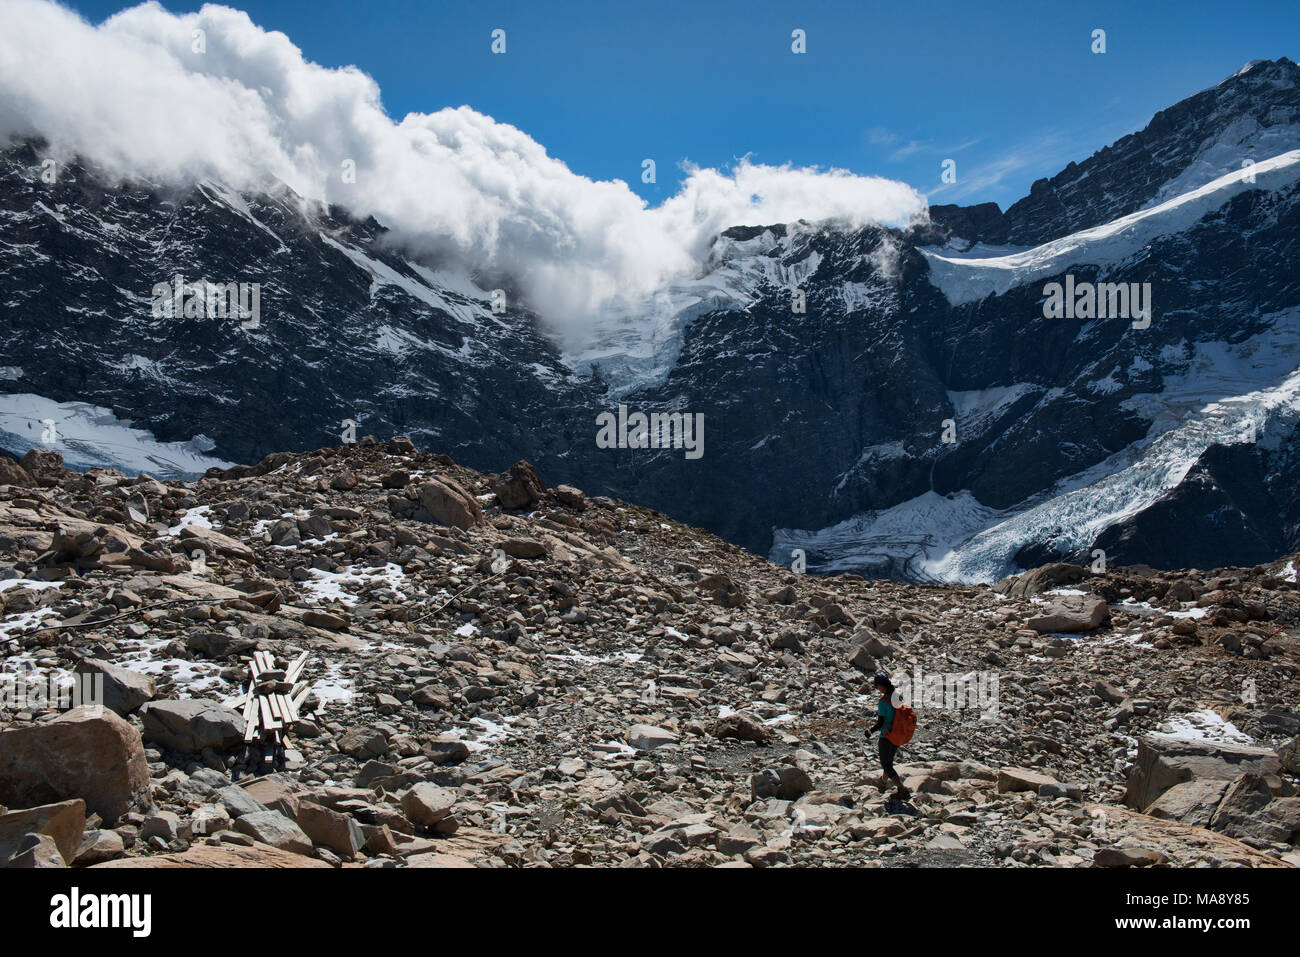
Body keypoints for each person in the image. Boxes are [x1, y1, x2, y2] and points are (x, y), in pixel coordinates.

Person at [866, 672, 911, 799]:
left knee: (886, 765)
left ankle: (901, 788)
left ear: (881, 685)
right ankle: (883, 783)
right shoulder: (898, 696)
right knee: (889, 762)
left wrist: (870, 731)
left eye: (876, 686)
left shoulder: (883, 702)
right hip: (898, 735)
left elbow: (880, 723)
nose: (876, 688)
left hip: (886, 737)